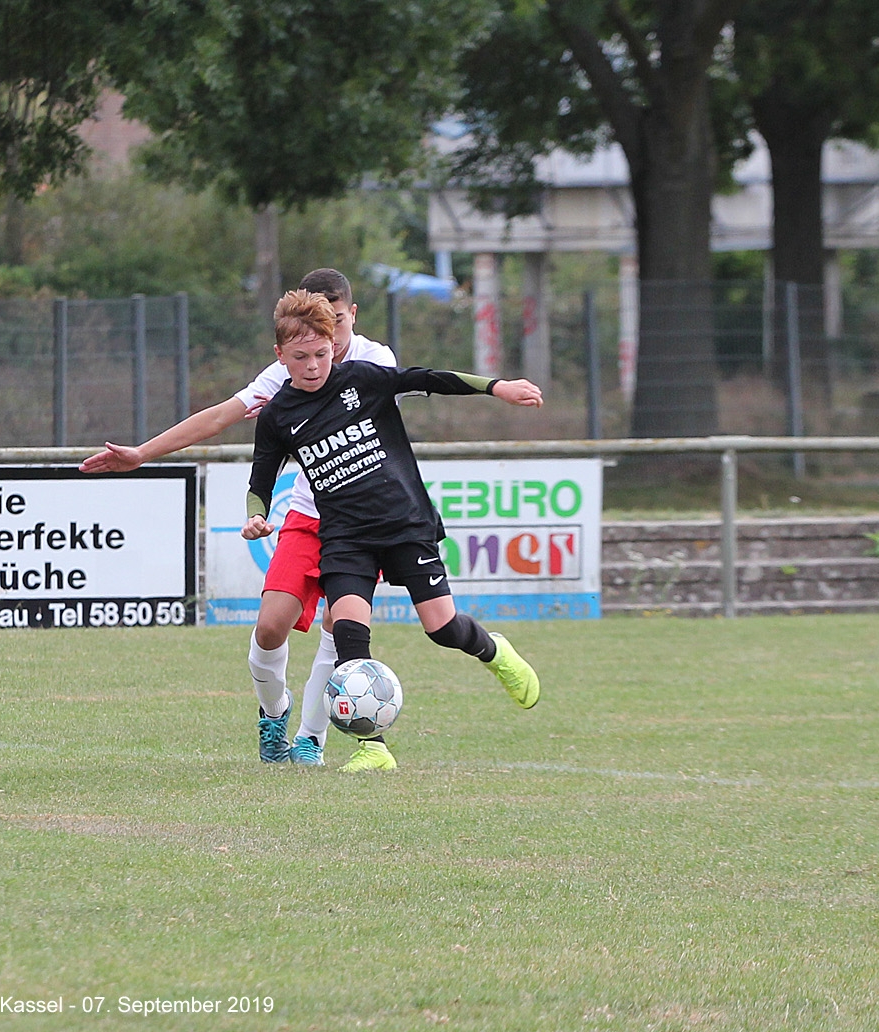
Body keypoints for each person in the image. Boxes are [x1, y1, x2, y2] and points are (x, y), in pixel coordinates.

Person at [81, 269, 394, 767]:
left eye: (336, 322)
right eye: (318, 326)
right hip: (307, 517)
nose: (328, 338)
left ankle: (311, 739)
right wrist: (142, 453)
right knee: (270, 628)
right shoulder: (293, 366)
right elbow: (218, 416)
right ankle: (274, 713)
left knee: (340, 626)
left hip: (360, 523)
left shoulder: (375, 362)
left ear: (351, 315)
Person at [244, 289, 543, 773]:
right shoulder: (278, 414)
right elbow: (260, 480)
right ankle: (373, 748)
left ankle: (494, 651)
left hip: (404, 524)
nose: (313, 365)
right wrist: (256, 515)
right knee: (348, 634)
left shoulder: (362, 378)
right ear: (280, 355)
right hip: (344, 538)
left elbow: (428, 378)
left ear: (332, 346)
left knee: (442, 628)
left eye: (321, 353)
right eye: (300, 357)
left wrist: (497, 386)